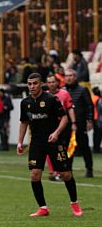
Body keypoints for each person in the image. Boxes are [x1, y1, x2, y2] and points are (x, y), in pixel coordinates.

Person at [17, 73, 82, 217]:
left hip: (54, 141)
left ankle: (74, 203)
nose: (32, 86)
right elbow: (24, 122)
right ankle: (43, 208)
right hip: (37, 143)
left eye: (34, 83)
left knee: (65, 174)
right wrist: (20, 142)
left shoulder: (51, 99)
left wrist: (56, 132)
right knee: (35, 175)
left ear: (41, 84)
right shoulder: (25, 102)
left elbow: (64, 118)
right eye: (29, 84)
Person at [46, 74, 77, 181]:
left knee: (62, 149)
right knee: (49, 148)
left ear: (58, 83)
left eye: (53, 82)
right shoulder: (44, 95)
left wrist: (73, 122)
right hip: (49, 126)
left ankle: (62, 170)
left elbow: (70, 108)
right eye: (49, 82)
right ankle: (53, 171)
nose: (51, 84)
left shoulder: (64, 94)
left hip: (63, 125)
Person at [64, 69, 94, 177]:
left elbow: (89, 106)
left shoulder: (83, 90)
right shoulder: (63, 91)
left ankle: (89, 169)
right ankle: (68, 169)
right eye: (67, 76)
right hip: (66, 124)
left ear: (75, 77)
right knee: (68, 147)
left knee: (84, 147)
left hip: (80, 124)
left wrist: (89, 120)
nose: (69, 77)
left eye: (71, 75)